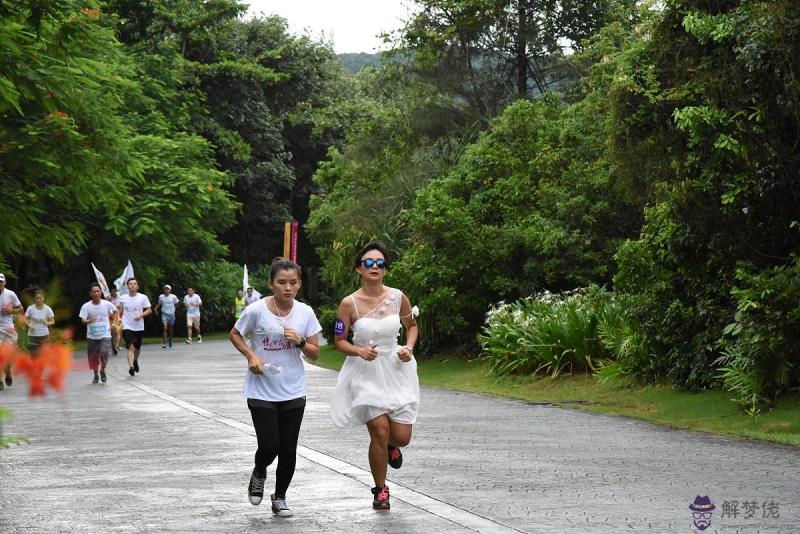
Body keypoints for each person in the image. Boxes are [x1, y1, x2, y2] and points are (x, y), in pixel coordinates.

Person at [330, 240, 420, 510]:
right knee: (379, 431)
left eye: (380, 263)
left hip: (396, 368)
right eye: (369, 263)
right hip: (365, 371)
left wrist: (408, 347)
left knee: (401, 436)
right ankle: (380, 489)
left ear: (385, 269)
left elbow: (412, 326)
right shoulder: (349, 304)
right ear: (359, 267)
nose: (374, 267)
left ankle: (395, 445)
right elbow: (338, 341)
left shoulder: (398, 297)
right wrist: (358, 351)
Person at [229, 258, 322, 518]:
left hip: (293, 389)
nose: (287, 288)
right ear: (271, 284)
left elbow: (315, 353)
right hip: (261, 389)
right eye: (282, 282)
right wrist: (250, 355)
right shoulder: (256, 310)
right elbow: (235, 334)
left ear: (299, 284)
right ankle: (260, 470)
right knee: (270, 445)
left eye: (293, 283)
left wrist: (300, 341)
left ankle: (279, 497)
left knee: (288, 450)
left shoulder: (305, 313)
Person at [79, 283, 117, 383]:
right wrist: (88, 321)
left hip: (105, 335)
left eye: (98, 291)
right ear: (90, 293)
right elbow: (83, 320)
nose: (96, 293)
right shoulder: (86, 306)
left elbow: (116, 311)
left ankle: (103, 370)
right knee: (93, 357)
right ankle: (95, 374)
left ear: (100, 292)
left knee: (104, 354)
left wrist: (114, 323)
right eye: (94, 292)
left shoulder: (107, 304)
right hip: (92, 336)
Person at [117, 277, 152, 376]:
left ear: (137, 286)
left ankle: (135, 360)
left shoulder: (143, 297)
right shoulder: (123, 298)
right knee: (131, 347)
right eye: (130, 284)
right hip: (127, 326)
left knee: (137, 348)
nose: (132, 285)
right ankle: (131, 367)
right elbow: (119, 309)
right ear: (127, 286)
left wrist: (141, 315)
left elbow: (149, 310)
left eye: (134, 284)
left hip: (139, 326)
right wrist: (118, 320)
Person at [0, 273, 23, 390]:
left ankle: (8, 373)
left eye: (1, 282)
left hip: (8, 329)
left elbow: (20, 308)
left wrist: (10, 310)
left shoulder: (10, 294)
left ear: (4, 283)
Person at [25, 290, 55, 355]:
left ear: (43, 298)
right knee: (33, 354)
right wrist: (29, 325)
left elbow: (53, 321)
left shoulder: (48, 309)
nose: (38, 300)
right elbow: (25, 319)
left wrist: (46, 323)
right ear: (34, 299)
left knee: (43, 354)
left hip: (44, 335)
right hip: (33, 335)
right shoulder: (30, 308)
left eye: (40, 298)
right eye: (37, 298)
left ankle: (41, 365)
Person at [108, 286, 121, 355]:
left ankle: (117, 346)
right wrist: (108, 300)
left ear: (116, 291)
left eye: (114, 291)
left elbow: (119, 307)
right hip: (110, 317)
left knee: (118, 331)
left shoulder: (119, 297)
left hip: (118, 317)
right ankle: (113, 345)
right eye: (112, 291)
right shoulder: (108, 298)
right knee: (111, 332)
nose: (113, 292)